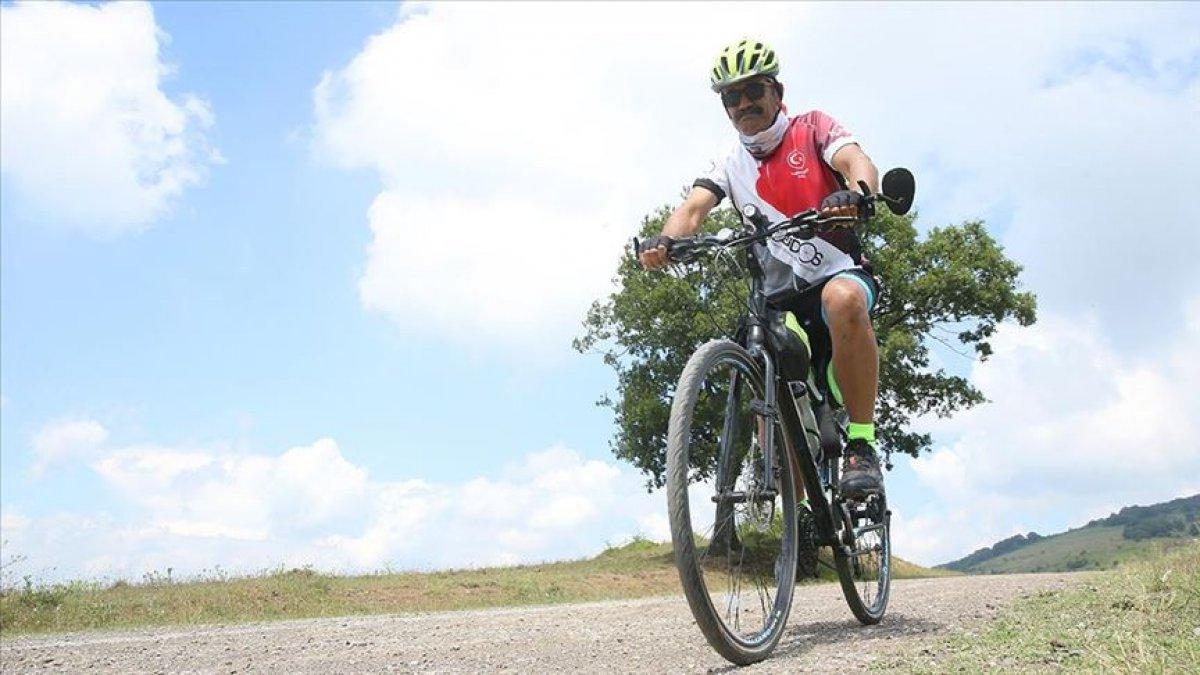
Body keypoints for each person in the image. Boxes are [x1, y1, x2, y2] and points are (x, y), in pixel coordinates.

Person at [639, 39, 884, 500]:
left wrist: (858, 194)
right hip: (778, 299)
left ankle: (862, 444)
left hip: (838, 274)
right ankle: (795, 501)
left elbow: (856, 161)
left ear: (777, 92)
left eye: (753, 90)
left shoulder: (812, 128)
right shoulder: (729, 162)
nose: (742, 103)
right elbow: (693, 208)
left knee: (842, 299)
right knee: (762, 359)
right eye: (731, 97)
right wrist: (664, 242)